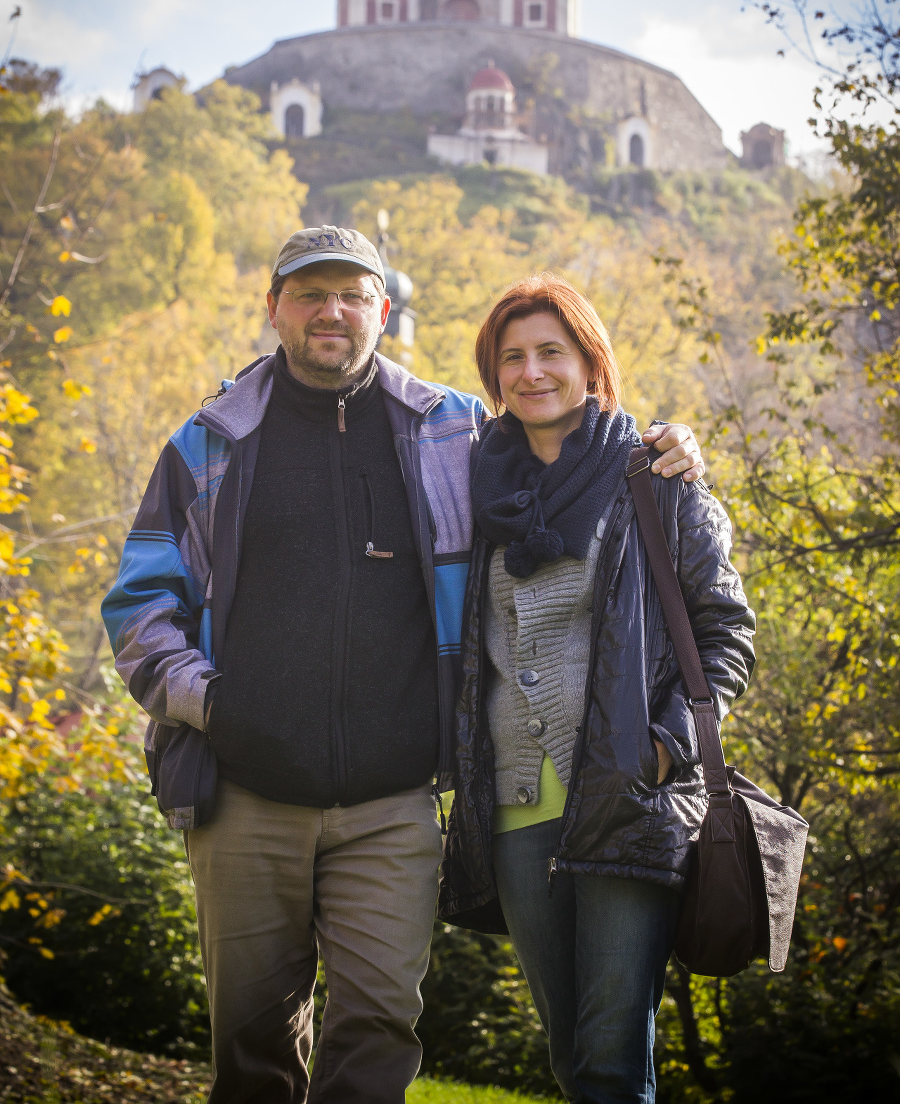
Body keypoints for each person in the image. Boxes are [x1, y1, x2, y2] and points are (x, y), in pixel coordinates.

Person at [102, 228, 708, 1104]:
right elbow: (138, 604)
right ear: (274, 307)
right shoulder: (209, 443)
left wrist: (667, 446)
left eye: (353, 293)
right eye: (310, 293)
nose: (331, 311)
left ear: (383, 310)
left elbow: (569, 444)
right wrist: (212, 705)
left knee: (379, 1035)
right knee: (250, 1048)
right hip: (244, 798)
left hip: (393, 807)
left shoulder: (455, 432)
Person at [438, 274, 756, 1104]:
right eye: (511, 356)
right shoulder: (478, 489)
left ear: (591, 363)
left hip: (628, 799)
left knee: (615, 1059)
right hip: (515, 808)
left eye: (552, 351)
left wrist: (663, 747)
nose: (531, 371)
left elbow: (726, 633)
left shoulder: (655, 478)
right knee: (569, 1056)